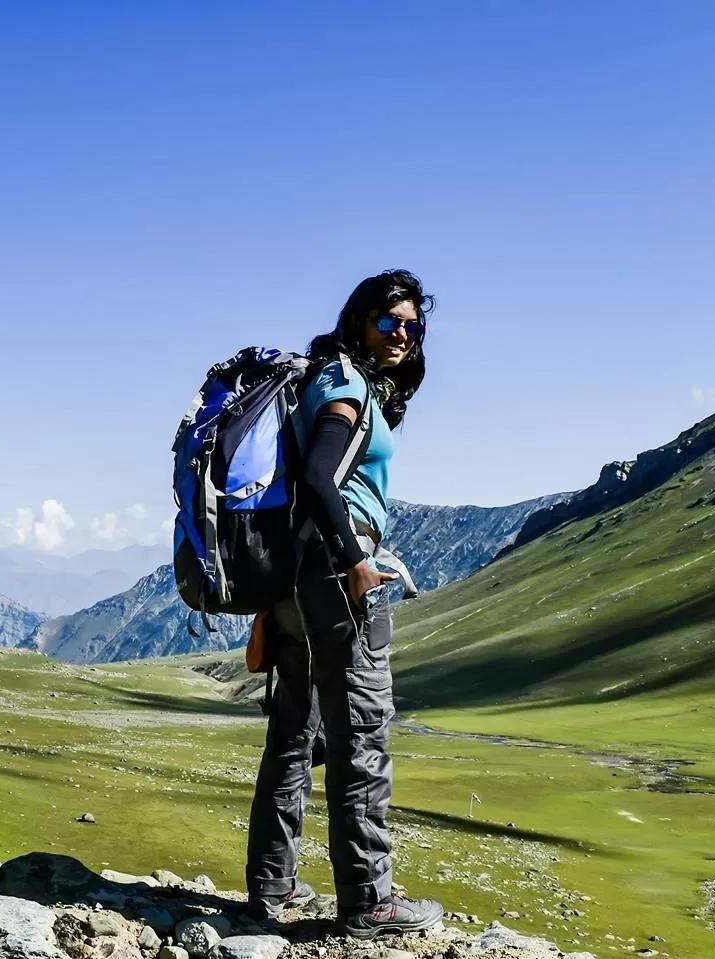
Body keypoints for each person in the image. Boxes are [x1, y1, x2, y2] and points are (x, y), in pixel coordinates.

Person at [246, 270, 444, 938]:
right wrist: (359, 561)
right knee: (360, 734)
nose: (403, 335)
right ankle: (369, 902)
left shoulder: (320, 379)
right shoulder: (345, 385)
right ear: (360, 319)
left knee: (295, 732)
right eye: (390, 321)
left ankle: (271, 885)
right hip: (337, 569)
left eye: (413, 327)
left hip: (295, 580)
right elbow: (320, 475)